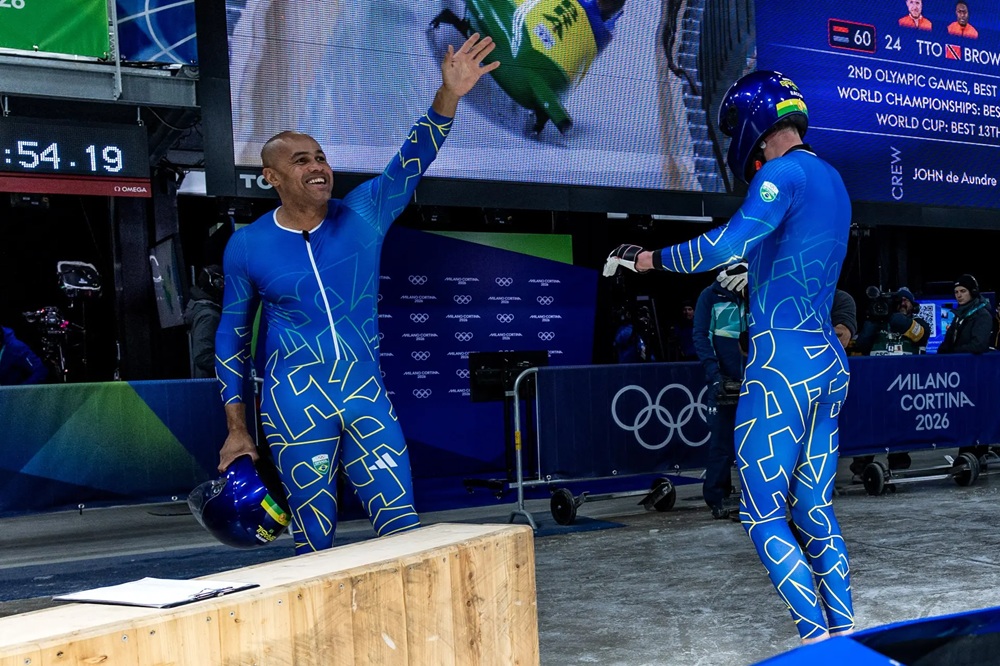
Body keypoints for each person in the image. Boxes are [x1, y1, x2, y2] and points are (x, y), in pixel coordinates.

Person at [214, 34, 500, 555]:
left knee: (401, 527)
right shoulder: (248, 245)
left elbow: (412, 158)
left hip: (364, 393)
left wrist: (449, 95)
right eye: (301, 160)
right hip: (293, 403)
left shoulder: (365, 212)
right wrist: (237, 429)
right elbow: (231, 340)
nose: (317, 166)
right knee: (313, 540)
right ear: (271, 177)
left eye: (321, 157)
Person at [604, 70, 854, 642]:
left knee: (763, 514)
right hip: (825, 362)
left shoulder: (781, 173)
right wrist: (756, 272)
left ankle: (816, 643)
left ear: (751, 124)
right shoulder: (832, 179)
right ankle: (846, 636)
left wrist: (645, 259)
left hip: (782, 366)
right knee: (813, 509)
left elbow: (723, 245)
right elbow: (797, 254)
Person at [693, 262, 747, 520]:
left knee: (757, 441)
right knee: (722, 443)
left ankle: (758, 495)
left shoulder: (757, 293)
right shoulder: (710, 296)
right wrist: (715, 375)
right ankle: (717, 497)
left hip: (757, 380)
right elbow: (701, 336)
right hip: (725, 380)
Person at [855, 287, 930, 356]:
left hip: (908, 365)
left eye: (906, 300)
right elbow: (861, 343)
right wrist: (873, 320)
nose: (902, 303)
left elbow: (920, 335)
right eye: (899, 301)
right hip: (879, 365)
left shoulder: (920, 323)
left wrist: (892, 317)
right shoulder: (878, 323)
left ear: (913, 305)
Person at [184, 264, 224, 379]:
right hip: (210, 383)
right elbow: (203, 356)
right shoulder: (209, 316)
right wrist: (231, 366)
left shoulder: (198, 307)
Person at [937, 273, 992, 354]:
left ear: (973, 292)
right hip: (956, 360)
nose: (959, 295)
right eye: (956, 292)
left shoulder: (982, 315)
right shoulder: (959, 315)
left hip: (970, 361)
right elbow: (947, 342)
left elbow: (978, 346)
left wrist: (952, 353)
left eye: (963, 291)